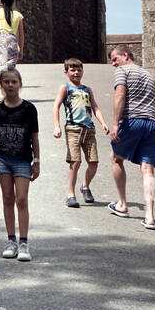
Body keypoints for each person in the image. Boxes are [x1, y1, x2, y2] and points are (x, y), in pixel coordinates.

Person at [0, 67, 39, 261]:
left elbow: (34, 137)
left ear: (20, 84)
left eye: (14, 82)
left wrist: (37, 161)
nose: (10, 85)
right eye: (7, 82)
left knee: (21, 199)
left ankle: (24, 243)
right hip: (3, 158)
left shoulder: (29, 109)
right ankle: (11, 240)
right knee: (7, 199)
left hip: (22, 159)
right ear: (1, 85)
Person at [108, 44, 155, 229]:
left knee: (115, 158)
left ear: (125, 55)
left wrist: (116, 123)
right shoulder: (148, 75)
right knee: (148, 170)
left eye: (115, 59)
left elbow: (120, 95)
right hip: (152, 123)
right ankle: (150, 216)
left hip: (133, 121)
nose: (114, 64)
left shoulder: (123, 71)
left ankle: (122, 204)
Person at [52, 58, 111, 207]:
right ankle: (70, 194)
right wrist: (57, 126)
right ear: (66, 72)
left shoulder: (87, 89)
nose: (76, 73)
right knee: (75, 161)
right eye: (72, 70)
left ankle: (85, 186)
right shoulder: (65, 88)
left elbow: (95, 108)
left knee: (94, 162)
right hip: (73, 128)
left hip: (89, 129)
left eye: (79, 70)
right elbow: (56, 106)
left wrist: (103, 122)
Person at [0, 0, 24, 85]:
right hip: (11, 40)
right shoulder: (18, 15)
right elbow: (21, 34)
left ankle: (0, 82)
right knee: (10, 64)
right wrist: (21, 49)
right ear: (12, 3)